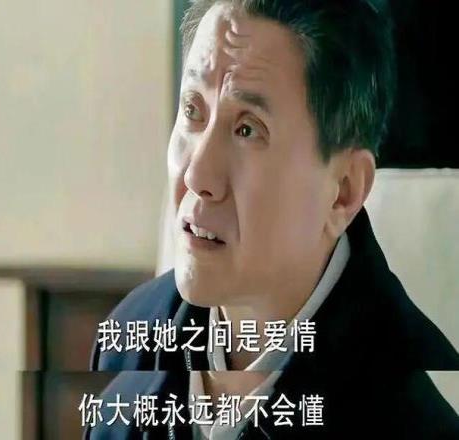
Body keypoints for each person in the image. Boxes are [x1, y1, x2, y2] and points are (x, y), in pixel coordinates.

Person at [88, 1, 459, 438]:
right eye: (192, 110)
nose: (197, 176)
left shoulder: (410, 419)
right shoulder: (129, 342)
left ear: (343, 191)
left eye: (248, 129)